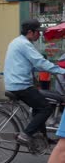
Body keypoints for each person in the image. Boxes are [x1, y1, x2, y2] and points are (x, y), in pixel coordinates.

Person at [4, 19, 65, 147]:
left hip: (17, 84)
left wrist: (54, 67)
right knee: (46, 108)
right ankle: (25, 134)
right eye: (38, 32)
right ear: (30, 32)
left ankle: (42, 137)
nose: (40, 35)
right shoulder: (24, 44)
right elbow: (40, 62)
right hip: (20, 85)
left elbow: (35, 65)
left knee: (39, 106)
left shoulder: (18, 42)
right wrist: (60, 70)